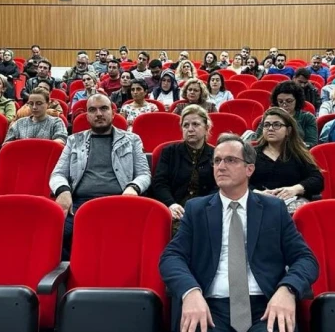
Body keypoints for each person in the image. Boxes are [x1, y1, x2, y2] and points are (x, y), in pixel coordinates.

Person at [159, 133, 319, 332]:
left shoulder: (274, 209)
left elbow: (305, 259)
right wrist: (190, 292)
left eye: (230, 160)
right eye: (217, 160)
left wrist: (287, 289)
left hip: (267, 305)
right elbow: (172, 257)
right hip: (209, 306)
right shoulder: (196, 209)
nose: (221, 166)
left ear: (249, 169)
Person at [50, 94, 150, 260]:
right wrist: (63, 190)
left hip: (119, 202)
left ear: (113, 113)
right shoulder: (74, 140)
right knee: (52, 235)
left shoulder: (132, 140)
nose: (98, 114)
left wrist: (133, 188)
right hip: (80, 204)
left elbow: (144, 174)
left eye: (103, 108)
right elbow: (58, 174)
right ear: (87, 115)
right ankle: (73, 269)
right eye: (92, 110)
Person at [251, 107, 324, 213]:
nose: (270, 128)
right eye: (266, 125)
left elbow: (317, 180)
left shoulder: (298, 153)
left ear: (288, 131)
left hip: (291, 205)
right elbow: (238, 181)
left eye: (276, 125)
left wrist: (294, 189)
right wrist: (257, 192)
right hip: (257, 202)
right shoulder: (251, 153)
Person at [151, 105, 216, 220]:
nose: (190, 129)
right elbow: (159, 183)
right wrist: (171, 204)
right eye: (186, 125)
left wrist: (205, 206)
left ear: (206, 128)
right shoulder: (169, 152)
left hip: (207, 210)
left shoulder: (216, 154)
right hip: (174, 210)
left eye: (195, 124)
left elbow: (220, 186)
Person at [255, 82, 318, 147]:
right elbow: (256, 139)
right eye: (280, 101)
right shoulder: (270, 116)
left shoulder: (307, 117)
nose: (284, 105)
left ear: (297, 100)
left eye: (289, 101)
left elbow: (312, 143)